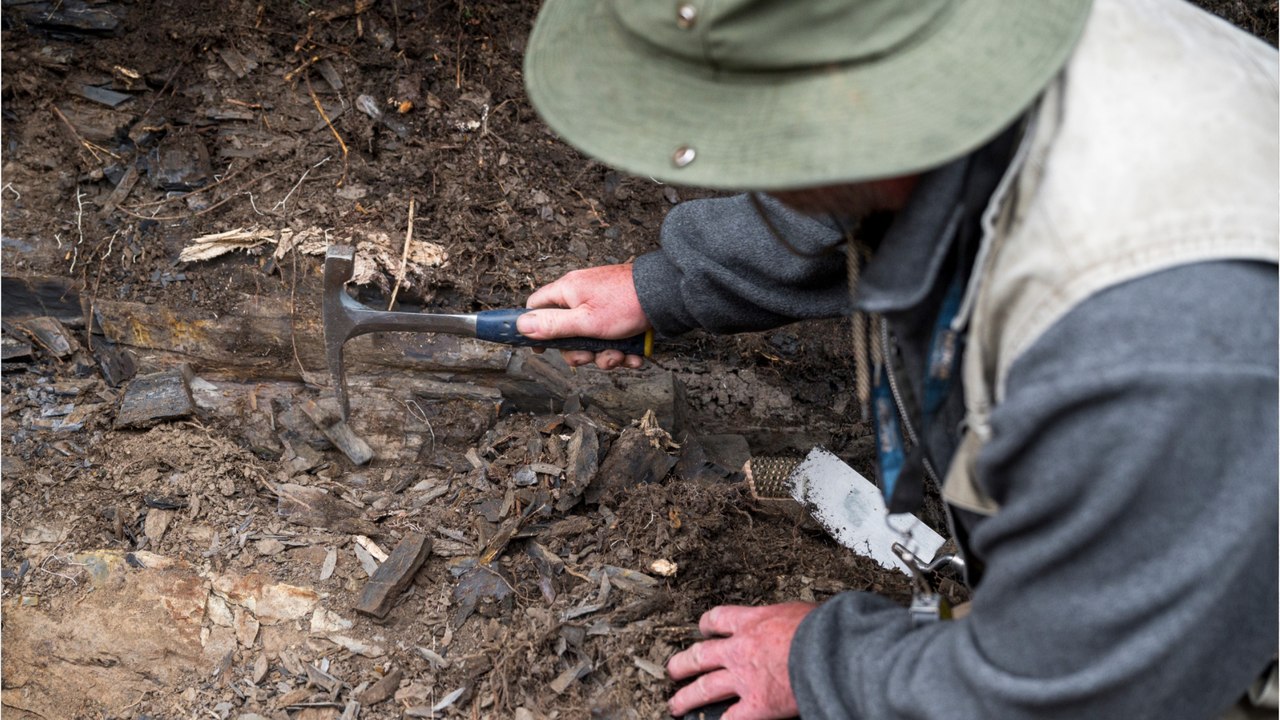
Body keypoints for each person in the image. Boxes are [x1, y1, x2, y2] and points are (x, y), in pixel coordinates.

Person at [517, 1, 1279, 718]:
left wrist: (823, 663)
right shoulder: (994, 40)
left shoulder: (1150, 353)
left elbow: (1065, 695)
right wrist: (669, 287)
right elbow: (869, 172)